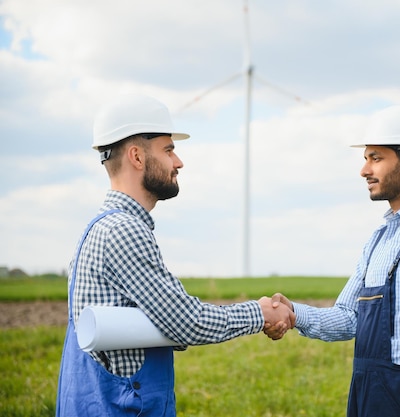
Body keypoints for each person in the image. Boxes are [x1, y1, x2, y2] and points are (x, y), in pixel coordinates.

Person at [56, 93, 294, 417]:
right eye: (168, 150)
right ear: (137, 157)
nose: (178, 162)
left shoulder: (101, 227)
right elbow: (185, 321)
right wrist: (262, 313)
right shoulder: (123, 231)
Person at [266, 105, 400, 417]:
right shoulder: (379, 239)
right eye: (366, 159)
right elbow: (349, 318)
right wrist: (294, 314)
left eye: (376, 158)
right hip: (369, 393)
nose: (364, 170)